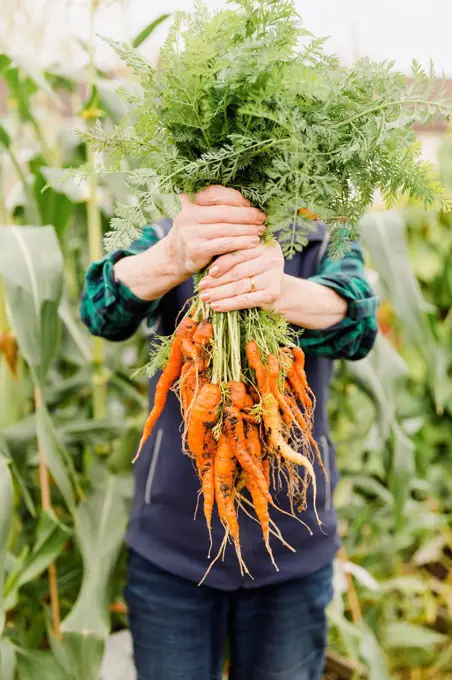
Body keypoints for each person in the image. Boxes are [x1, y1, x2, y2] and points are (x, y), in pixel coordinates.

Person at [81, 185, 378, 680]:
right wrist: (175, 256)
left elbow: (359, 320)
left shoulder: (324, 241)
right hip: (171, 554)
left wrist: (280, 291)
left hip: (292, 550)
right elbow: (99, 308)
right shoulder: (174, 236)